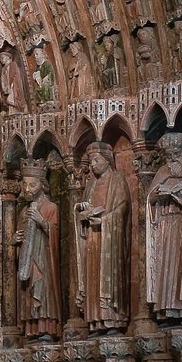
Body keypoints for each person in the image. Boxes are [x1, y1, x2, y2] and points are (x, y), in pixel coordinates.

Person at [146, 132, 182, 325]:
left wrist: (181, 198)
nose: (172, 160)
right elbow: (149, 198)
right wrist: (159, 193)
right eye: (169, 155)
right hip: (164, 225)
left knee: (181, 264)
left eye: (176, 155)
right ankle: (165, 309)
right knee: (164, 266)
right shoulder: (162, 171)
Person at [75, 142, 131, 334]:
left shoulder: (117, 180)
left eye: (96, 160)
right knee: (92, 277)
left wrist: (105, 219)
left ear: (108, 161)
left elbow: (122, 208)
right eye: (90, 162)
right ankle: (95, 320)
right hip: (92, 237)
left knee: (109, 275)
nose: (92, 165)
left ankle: (113, 319)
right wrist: (82, 214)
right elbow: (84, 208)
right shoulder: (91, 185)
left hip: (109, 238)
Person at [14, 160, 61, 340]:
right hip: (28, 258)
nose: (27, 189)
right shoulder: (23, 212)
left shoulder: (50, 207)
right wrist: (15, 240)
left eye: (32, 185)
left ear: (42, 185)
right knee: (28, 290)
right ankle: (32, 328)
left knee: (42, 287)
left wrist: (42, 221)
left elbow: (55, 232)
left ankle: (46, 326)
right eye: (24, 185)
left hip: (44, 259)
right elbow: (20, 236)